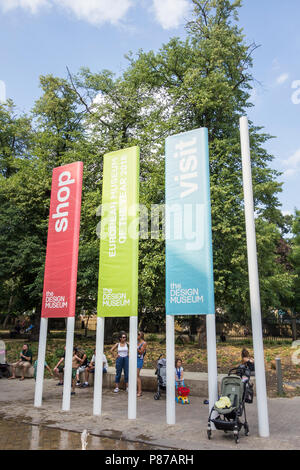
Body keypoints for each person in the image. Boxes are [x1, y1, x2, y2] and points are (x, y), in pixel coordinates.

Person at [137, 331, 147, 397]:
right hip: (133, 359)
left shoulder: (144, 343)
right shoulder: (136, 342)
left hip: (139, 360)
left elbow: (141, 352)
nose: (137, 335)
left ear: (141, 335)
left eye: (138, 334)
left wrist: (136, 347)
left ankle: (140, 391)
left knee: (137, 375)